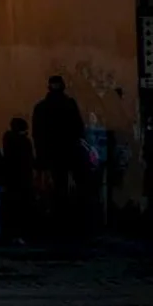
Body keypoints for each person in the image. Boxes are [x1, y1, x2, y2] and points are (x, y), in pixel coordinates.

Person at [32, 75, 87, 235]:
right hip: (69, 155)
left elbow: (37, 135)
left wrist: (41, 157)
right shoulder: (69, 105)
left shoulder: (41, 108)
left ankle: (54, 223)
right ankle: (69, 223)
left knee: (53, 190)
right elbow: (78, 129)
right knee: (71, 189)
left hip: (51, 156)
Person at [2, 117, 36, 244]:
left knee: (13, 209)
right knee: (21, 208)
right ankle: (19, 234)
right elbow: (29, 160)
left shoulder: (8, 140)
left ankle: (13, 235)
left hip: (12, 180)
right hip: (22, 180)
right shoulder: (24, 142)